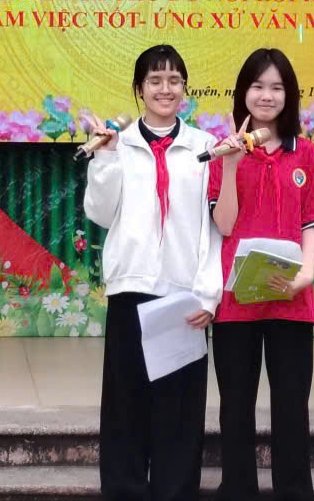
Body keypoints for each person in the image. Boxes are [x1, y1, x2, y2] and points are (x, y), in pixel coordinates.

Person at [81, 43, 222, 501]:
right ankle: (124, 490)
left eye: (174, 80)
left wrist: (209, 294)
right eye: (155, 80)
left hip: (184, 296)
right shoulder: (119, 143)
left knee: (179, 409)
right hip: (131, 290)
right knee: (125, 405)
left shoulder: (204, 146)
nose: (165, 89)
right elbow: (101, 214)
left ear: (185, 88)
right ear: (139, 89)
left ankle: (175, 491)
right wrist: (105, 158)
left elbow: (213, 227)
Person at [208, 47, 314, 501]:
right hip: (236, 300)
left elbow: (312, 222)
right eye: (258, 86)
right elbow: (224, 225)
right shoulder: (223, 151)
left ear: (290, 95)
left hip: (291, 297)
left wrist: (308, 272)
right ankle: (237, 489)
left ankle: (295, 491)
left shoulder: (306, 154)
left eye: (277, 87)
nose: (266, 95)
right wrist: (229, 164)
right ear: (243, 93)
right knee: (235, 407)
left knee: (291, 406)